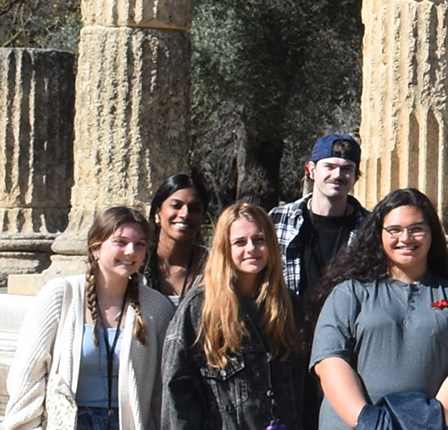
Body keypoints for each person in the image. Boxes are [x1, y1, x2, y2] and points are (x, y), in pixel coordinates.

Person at [309, 188, 448, 430]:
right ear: (379, 235)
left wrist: (428, 420)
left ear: (431, 233)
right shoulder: (349, 293)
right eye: (394, 230)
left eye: (416, 229)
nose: (405, 238)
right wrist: (367, 420)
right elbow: (330, 361)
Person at [7, 204, 176, 430]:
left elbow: (161, 391)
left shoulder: (157, 308)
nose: (130, 251)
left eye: (140, 245)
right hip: (73, 422)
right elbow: (27, 373)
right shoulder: (60, 295)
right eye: (121, 242)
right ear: (96, 248)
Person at [162, 203, 303, 430]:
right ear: (224, 248)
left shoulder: (289, 306)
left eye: (259, 240)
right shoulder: (199, 309)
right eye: (240, 242)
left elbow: (304, 390)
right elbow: (177, 391)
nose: (252, 249)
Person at [272, 134, 372, 344]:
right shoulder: (278, 220)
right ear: (310, 170)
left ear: (356, 177)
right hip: (287, 339)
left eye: (347, 169)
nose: (338, 175)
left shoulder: (370, 229)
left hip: (347, 343)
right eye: (329, 166)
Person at [146, 175, 211, 299]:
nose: (185, 214)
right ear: (157, 213)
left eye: (194, 209)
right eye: (176, 206)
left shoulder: (213, 267)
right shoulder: (138, 263)